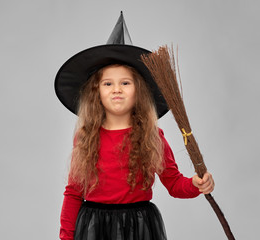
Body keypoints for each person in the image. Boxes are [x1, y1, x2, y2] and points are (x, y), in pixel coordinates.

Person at [55, 12, 214, 240]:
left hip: (139, 228)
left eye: (125, 83)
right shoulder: (86, 137)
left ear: (138, 91)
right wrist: (66, 237)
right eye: (108, 83)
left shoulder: (152, 136)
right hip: (94, 228)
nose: (117, 89)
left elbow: (174, 183)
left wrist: (196, 184)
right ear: (96, 92)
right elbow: (73, 193)